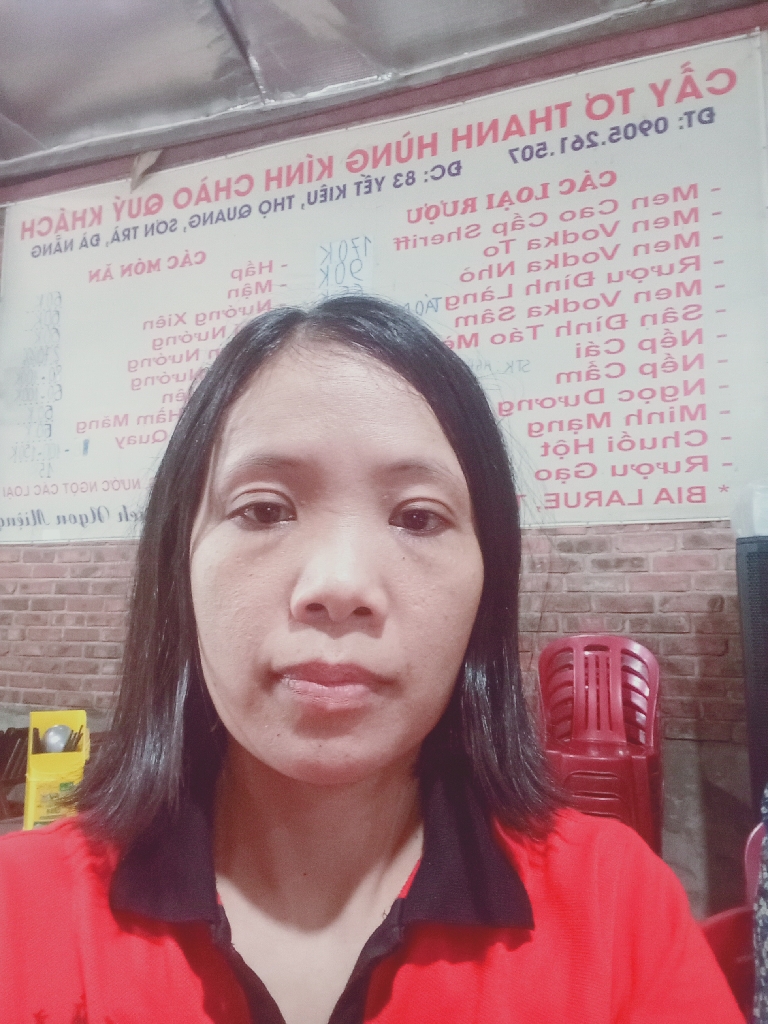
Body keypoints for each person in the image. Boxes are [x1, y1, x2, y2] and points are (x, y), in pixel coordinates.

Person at [0, 295, 741, 1023]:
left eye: (418, 517)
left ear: (488, 582)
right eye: (263, 509)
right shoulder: (21, 910)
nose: (339, 586)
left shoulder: (615, 910)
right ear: (180, 565)